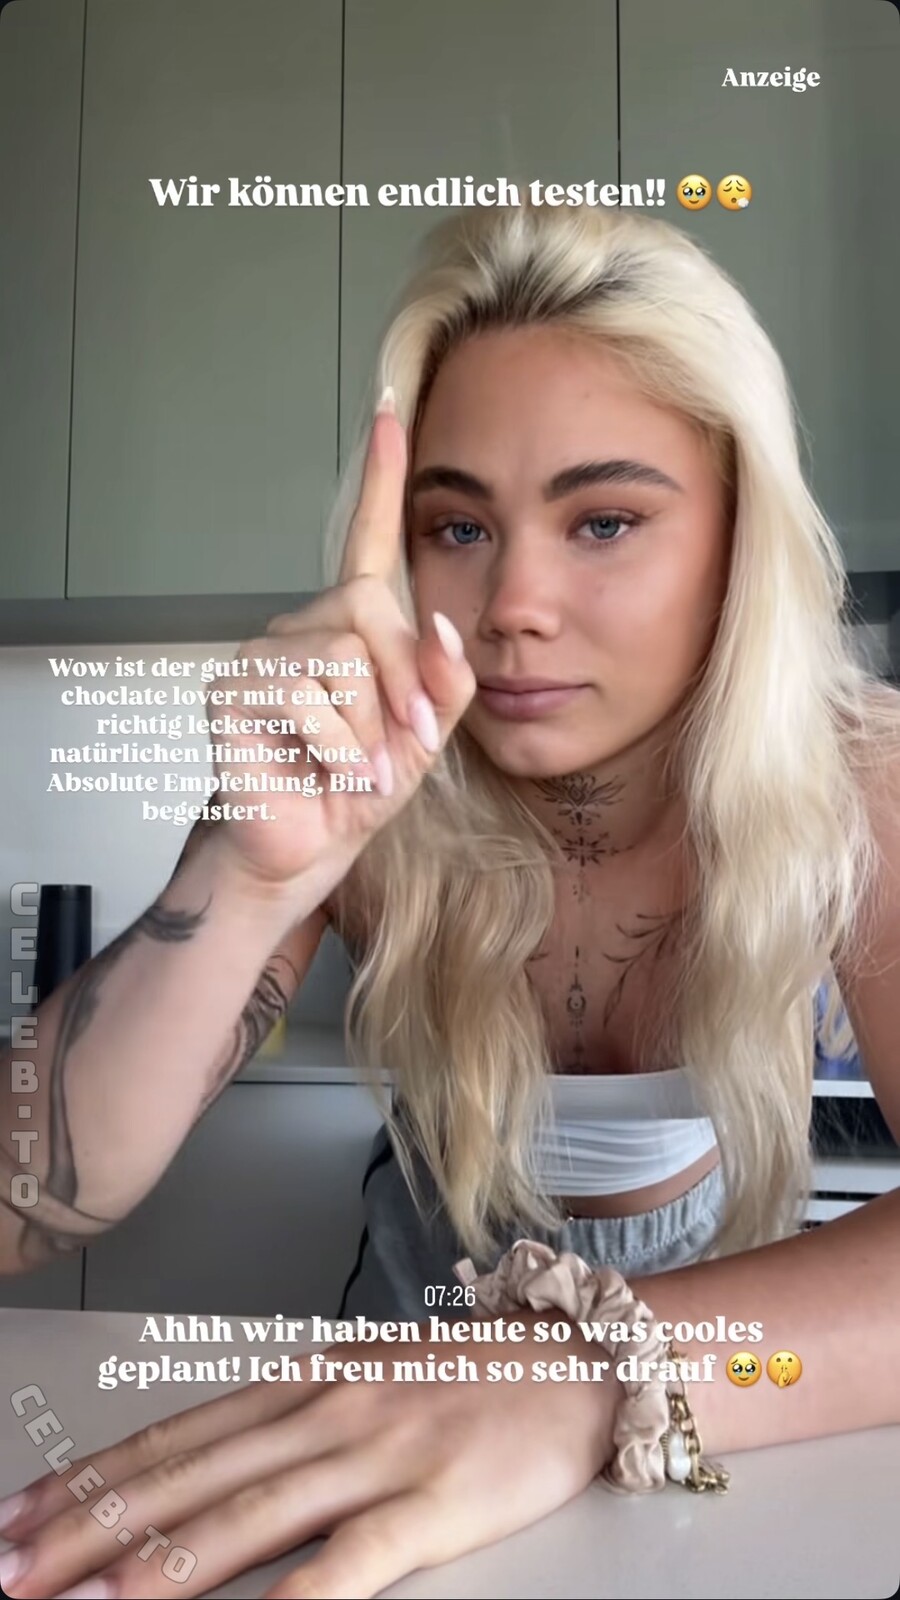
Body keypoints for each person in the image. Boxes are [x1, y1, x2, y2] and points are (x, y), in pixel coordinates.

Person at [1, 201, 898, 1600]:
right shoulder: (364, 779)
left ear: (740, 538)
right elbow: (24, 1208)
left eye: (605, 520)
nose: (513, 602)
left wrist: (580, 1367)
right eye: (460, 525)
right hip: (397, 1368)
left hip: (730, 1371)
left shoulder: (857, 784)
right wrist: (245, 875)